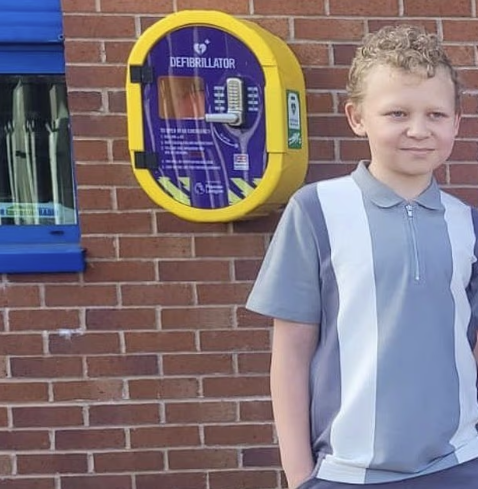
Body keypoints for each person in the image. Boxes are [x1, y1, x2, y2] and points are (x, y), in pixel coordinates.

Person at [246, 25, 478, 489]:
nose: (418, 130)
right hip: (346, 473)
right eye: (397, 113)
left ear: (456, 122)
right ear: (357, 118)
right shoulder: (316, 210)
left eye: (435, 114)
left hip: (458, 464)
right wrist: (299, 476)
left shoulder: (466, 223)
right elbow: (290, 353)